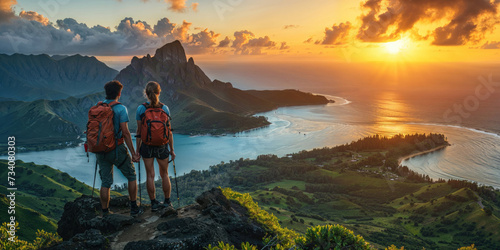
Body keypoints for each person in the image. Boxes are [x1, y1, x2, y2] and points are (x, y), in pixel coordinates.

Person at [96, 80, 143, 217]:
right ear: (119, 93)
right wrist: (134, 153)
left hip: (101, 149)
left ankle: (105, 212)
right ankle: (134, 208)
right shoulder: (121, 108)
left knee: (105, 182)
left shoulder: (97, 107)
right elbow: (126, 133)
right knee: (131, 175)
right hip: (117, 148)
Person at [135, 81, 175, 211]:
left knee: (150, 175)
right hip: (162, 146)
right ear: (159, 92)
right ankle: (167, 202)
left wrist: (137, 150)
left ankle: (153, 203)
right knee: (165, 174)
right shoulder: (165, 109)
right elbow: (169, 132)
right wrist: (172, 150)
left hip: (146, 146)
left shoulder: (141, 109)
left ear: (146, 94)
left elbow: (139, 132)